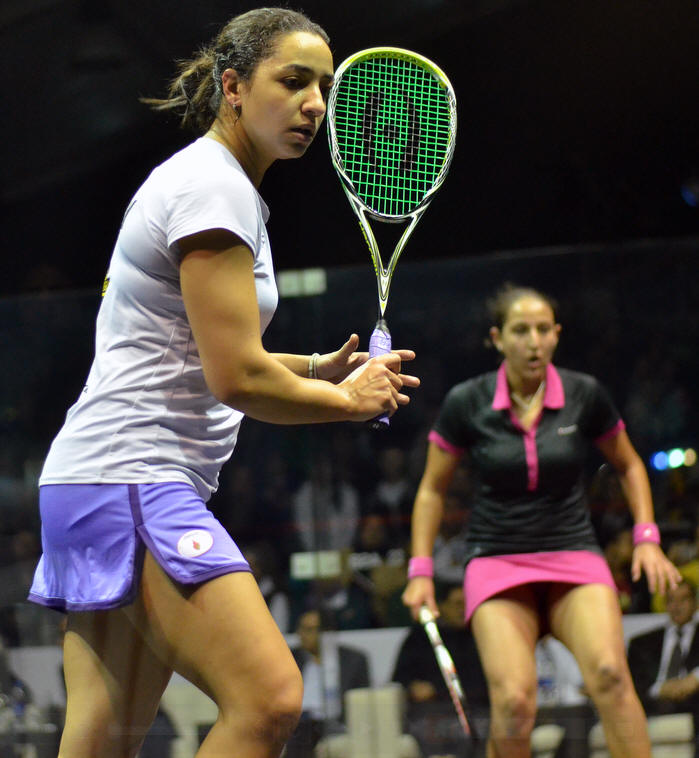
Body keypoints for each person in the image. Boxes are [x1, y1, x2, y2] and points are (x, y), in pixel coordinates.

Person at [26, 9, 419, 758]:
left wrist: (316, 368)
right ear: (232, 87)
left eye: (325, 88)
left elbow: (195, 348)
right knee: (268, 699)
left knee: (103, 740)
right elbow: (236, 377)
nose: (315, 105)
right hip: (131, 477)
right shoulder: (214, 189)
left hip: (92, 480)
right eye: (293, 81)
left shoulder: (208, 181)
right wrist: (346, 402)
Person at [401, 283, 680, 758]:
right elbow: (432, 489)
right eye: (520, 330)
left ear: (557, 334)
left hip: (573, 552)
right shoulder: (467, 401)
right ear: (497, 338)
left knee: (611, 676)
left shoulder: (584, 393)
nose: (534, 341)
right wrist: (420, 570)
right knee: (514, 703)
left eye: (543, 329)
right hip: (496, 560)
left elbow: (631, 465)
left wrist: (647, 537)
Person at [392, 583, 489, 758]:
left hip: (476, 712)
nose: (462, 610)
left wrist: (439, 691)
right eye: (457, 604)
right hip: (430, 714)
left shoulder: (481, 635)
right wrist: (412, 688)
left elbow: (488, 683)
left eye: (466, 604)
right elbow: (399, 680)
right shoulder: (420, 637)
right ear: (442, 607)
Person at [627, 577, 699, 758]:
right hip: (652, 705)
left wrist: (695, 679)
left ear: (695, 603)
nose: (677, 606)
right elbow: (632, 682)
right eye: (671, 600)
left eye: (683, 599)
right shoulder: (642, 642)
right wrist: (659, 689)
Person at [285, 609, 370, 758]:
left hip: (334, 722)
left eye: (309, 630)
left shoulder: (352, 660)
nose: (302, 635)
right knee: (301, 732)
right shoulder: (289, 658)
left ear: (326, 632)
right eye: (301, 629)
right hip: (298, 722)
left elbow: (362, 699)